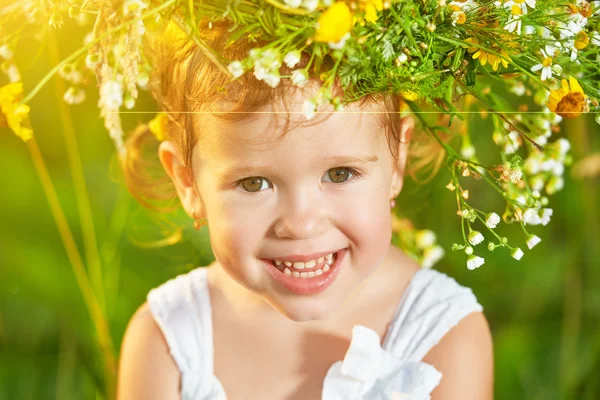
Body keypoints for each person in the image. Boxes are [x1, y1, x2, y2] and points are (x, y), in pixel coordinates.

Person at [116, 17, 493, 400]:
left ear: (396, 162)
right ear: (187, 182)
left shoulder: (443, 337)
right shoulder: (167, 343)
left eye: (340, 173)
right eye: (253, 183)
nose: (301, 223)